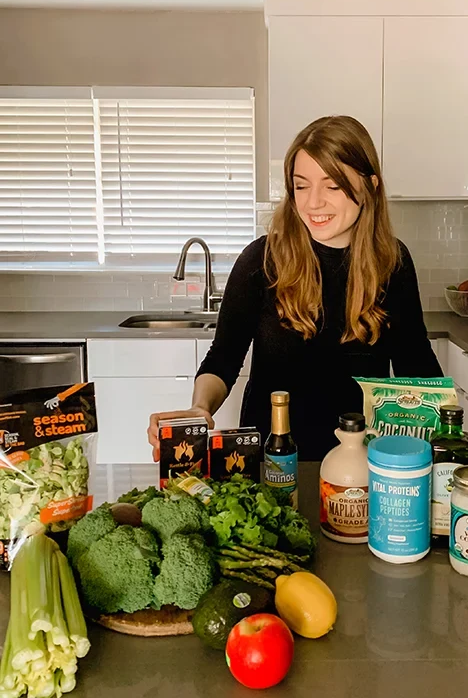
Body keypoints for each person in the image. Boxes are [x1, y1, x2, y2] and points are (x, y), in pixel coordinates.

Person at [148, 115, 441, 462]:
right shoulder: (262, 260)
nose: (313, 203)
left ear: (369, 185)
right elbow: (223, 359)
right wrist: (199, 408)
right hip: (270, 463)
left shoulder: (391, 262)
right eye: (301, 186)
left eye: (332, 186)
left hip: (357, 467)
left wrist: (445, 432)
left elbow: (417, 365)